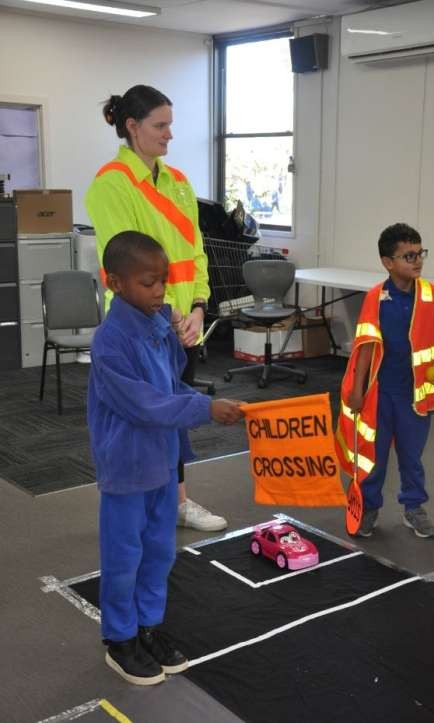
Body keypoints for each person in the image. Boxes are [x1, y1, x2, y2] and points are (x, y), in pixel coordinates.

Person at [88, 231, 244, 685]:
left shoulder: (156, 324)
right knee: (124, 555)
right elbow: (144, 403)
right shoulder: (110, 341)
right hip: (126, 468)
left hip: (161, 460)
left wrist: (180, 347)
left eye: (163, 281)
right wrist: (203, 408)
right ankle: (120, 640)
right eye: (147, 283)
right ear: (115, 282)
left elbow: (171, 384)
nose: (159, 292)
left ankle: (147, 626)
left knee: (159, 551)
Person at [85, 84, 227, 532]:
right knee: (146, 415)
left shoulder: (179, 183)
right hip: (142, 326)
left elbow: (196, 253)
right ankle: (145, 507)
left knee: (173, 418)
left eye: (170, 125)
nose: (169, 135)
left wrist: (200, 307)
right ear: (132, 127)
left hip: (183, 324)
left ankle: (175, 501)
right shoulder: (112, 184)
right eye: (159, 125)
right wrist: (168, 316)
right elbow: (127, 263)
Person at [335, 222, 434, 539]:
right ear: (388, 262)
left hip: (415, 395)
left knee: (412, 459)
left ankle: (413, 509)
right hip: (379, 395)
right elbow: (362, 349)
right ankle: (369, 506)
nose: (417, 260)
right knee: (375, 456)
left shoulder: (433, 295)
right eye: (408, 255)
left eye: (419, 253)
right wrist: (357, 392)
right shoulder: (375, 298)